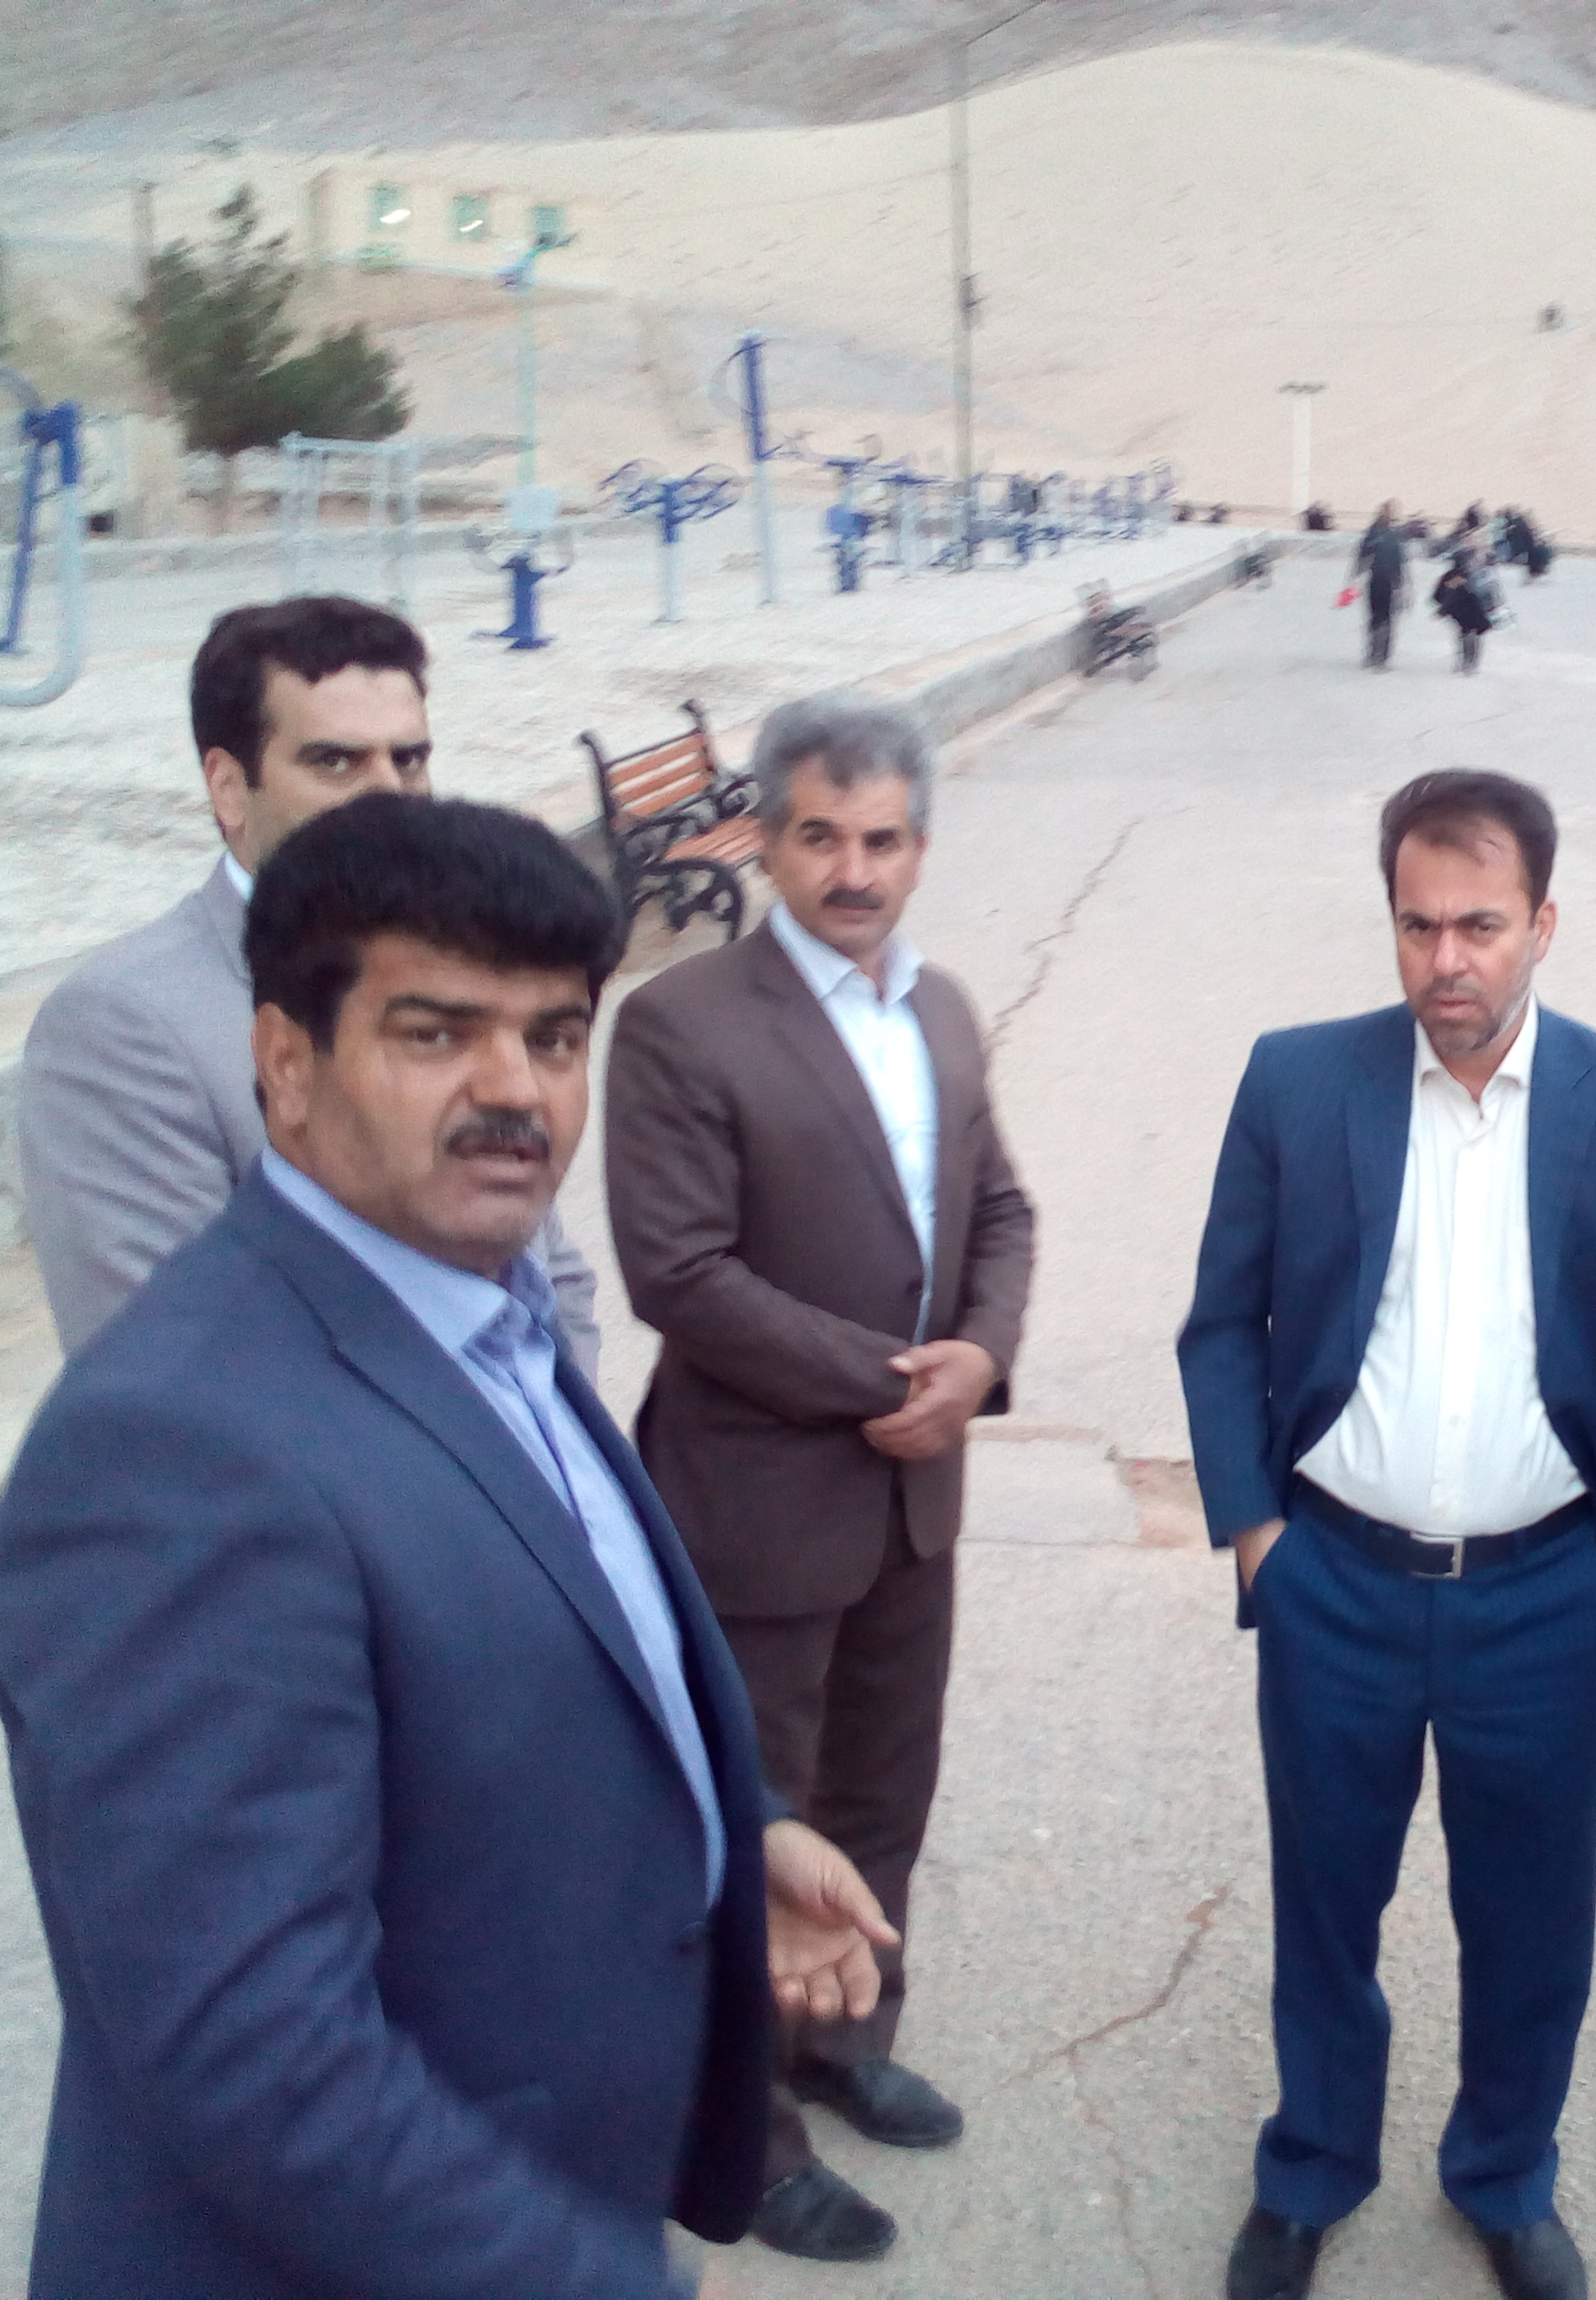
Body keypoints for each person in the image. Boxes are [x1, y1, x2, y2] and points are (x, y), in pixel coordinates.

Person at [0, 793, 897, 2300]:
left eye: (552, 1037)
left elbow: (541, 1656)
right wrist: (612, 2284)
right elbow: (251, 2049)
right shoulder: (177, 1453)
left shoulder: (487, 1314)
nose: (512, 1090)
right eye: (434, 1034)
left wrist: (742, 1829)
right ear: (285, 1063)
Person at [1180, 770, 1596, 2300]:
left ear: (1542, 923)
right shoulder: (1300, 1081)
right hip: (1333, 1583)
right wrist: (1257, 1539)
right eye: (1417, 925)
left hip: (1544, 1592)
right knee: (1324, 1904)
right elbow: (1220, 1327)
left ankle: (1502, 2173)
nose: (1446, 960)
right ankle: (1312, 2164)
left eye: (1479, 924)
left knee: (1529, 1917)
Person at [608, 694, 1037, 2265]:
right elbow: (679, 1271)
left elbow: (1001, 1210)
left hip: (913, 1505)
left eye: (882, 839)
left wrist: (981, 1358)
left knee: (879, 1795)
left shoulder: (944, 1009)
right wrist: (893, 1384)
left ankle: (846, 2037)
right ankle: (750, 2135)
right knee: (752, 1822)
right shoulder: (681, 1022)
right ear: (764, 839)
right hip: (757, 1508)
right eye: (819, 837)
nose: (853, 871)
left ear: (919, 845)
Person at [17, 596, 602, 1362]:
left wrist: (548, 1422)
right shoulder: (125, 1027)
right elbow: (173, 1357)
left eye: (409, 759)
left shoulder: (472, 965)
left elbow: (548, 1269)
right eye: (336, 762)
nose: (388, 795)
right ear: (229, 787)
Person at [1353, 501, 1410, 671]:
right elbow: (1362, 557)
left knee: (1383, 619)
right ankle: (1376, 655)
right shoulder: (1378, 534)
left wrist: (1402, 584)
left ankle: (1379, 656)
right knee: (1379, 618)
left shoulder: (1388, 534)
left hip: (1386, 582)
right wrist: (1355, 578)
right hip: (1379, 581)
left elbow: (1399, 561)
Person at [1434, 555, 1495, 675]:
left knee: (1465, 635)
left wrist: (1443, 610)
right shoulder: (1476, 575)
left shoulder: (1450, 577)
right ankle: (1470, 663)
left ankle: (1466, 662)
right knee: (1472, 636)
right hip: (1473, 611)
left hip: (1462, 612)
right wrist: (1491, 607)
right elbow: (1489, 592)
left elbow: (1440, 596)